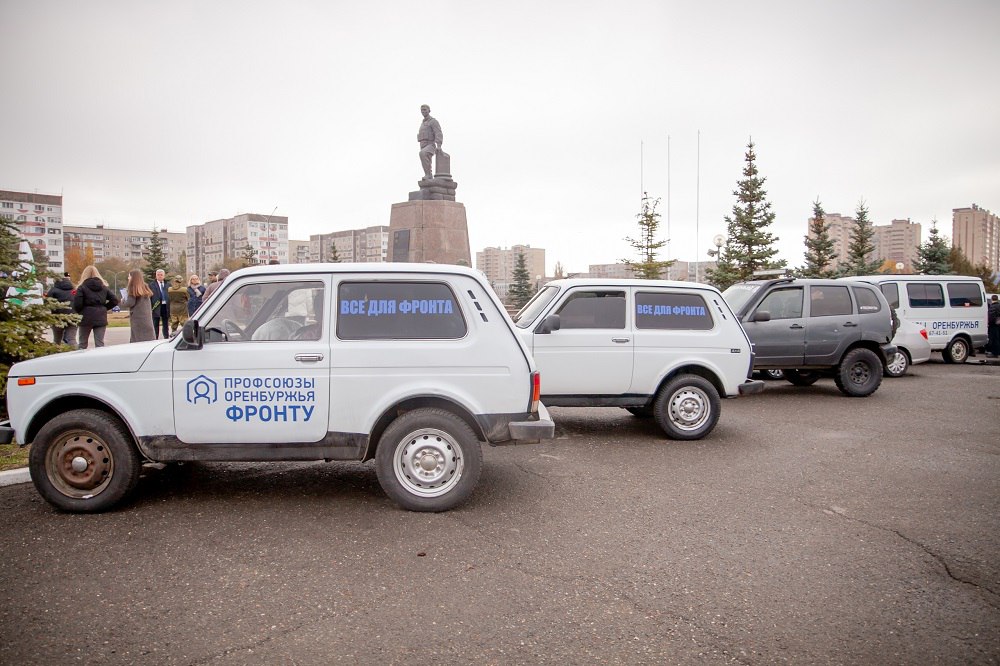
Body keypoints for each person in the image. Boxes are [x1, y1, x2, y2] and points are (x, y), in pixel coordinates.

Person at [72, 265, 119, 349]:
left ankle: (81, 361)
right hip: (100, 316)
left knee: (82, 344)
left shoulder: (82, 288)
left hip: (85, 317)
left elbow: (77, 304)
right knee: (100, 344)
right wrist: (104, 308)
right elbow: (115, 300)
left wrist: (81, 312)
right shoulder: (104, 287)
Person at [120, 269, 155, 342]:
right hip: (146, 317)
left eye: (129, 276)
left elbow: (130, 303)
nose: (128, 278)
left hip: (137, 318)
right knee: (148, 338)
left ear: (133, 278)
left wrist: (123, 301)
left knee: (137, 339)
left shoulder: (133, 288)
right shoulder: (145, 287)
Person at [47, 272, 78, 347]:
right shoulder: (74, 290)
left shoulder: (52, 290)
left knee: (57, 340)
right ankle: (76, 353)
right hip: (73, 317)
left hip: (57, 318)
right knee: (71, 339)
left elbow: (48, 304)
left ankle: (56, 354)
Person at [417, 104, 444, 180]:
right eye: (422, 110)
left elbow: (438, 133)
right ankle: (428, 174)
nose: (423, 111)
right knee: (424, 158)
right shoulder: (422, 123)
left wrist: (439, 145)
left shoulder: (433, 121)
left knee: (423, 153)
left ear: (429, 110)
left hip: (430, 144)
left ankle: (428, 174)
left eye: (425, 110)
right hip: (423, 144)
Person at [148, 268, 170, 339]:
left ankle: (166, 337)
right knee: (155, 323)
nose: (160, 276)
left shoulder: (168, 284)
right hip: (156, 306)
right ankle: (155, 337)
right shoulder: (151, 285)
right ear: (156, 276)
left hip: (165, 306)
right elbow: (149, 297)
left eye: (161, 275)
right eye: (158, 275)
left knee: (165, 323)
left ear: (164, 276)